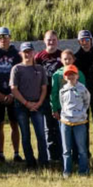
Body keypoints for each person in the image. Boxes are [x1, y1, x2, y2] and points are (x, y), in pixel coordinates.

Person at [10, 42, 49, 168]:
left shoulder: (40, 69)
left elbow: (44, 88)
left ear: (34, 52)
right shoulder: (16, 69)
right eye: (25, 52)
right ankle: (30, 162)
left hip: (38, 105)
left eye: (30, 51)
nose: (28, 54)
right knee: (25, 135)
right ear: (21, 53)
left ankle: (43, 162)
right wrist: (26, 103)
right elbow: (14, 89)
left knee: (41, 135)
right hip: (21, 106)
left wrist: (39, 103)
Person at [34, 30, 63, 161]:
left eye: (54, 39)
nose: (51, 42)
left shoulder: (62, 55)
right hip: (45, 96)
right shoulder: (39, 57)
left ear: (57, 40)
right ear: (44, 41)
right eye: (49, 40)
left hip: (61, 96)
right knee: (49, 127)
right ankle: (52, 156)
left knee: (62, 126)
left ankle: (64, 154)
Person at [59, 65, 90, 178]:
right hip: (65, 122)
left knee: (81, 149)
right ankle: (67, 171)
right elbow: (62, 104)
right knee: (66, 149)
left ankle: (83, 171)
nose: (70, 76)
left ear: (77, 76)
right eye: (68, 74)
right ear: (65, 77)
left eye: (72, 74)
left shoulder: (82, 89)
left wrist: (81, 113)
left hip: (80, 123)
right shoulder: (62, 90)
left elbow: (87, 102)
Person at [0, 27, 21, 162]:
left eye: (5, 36)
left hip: (13, 94)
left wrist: (12, 93)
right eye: (0, 37)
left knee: (14, 123)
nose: (3, 39)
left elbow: (20, 75)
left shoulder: (16, 55)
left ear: (10, 37)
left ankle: (16, 154)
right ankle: (0, 154)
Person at [51, 50, 86, 122]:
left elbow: (84, 92)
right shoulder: (57, 75)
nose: (67, 61)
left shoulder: (79, 74)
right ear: (61, 60)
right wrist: (54, 109)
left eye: (69, 59)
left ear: (73, 59)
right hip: (62, 108)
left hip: (77, 108)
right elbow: (54, 93)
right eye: (65, 59)